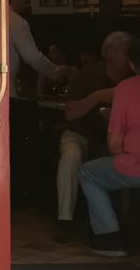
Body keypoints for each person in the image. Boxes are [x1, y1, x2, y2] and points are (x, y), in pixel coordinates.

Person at [76, 35, 140, 257]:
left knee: (87, 172)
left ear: (131, 64)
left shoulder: (126, 87)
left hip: (136, 168)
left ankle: (108, 237)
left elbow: (114, 145)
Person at [50, 31, 134, 241]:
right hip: (81, 133)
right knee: (71, 156)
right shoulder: (87, 75)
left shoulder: (134, 77)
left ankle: (121, 224)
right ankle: (65, 219)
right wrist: (98, 97)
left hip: (118, 138)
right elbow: (70, 114)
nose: (130, 57)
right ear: (111, 53)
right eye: (126, 52)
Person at [8, 0, 64, 83]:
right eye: (24, 1)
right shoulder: (16, 21)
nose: (25, 5)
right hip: (7, 82)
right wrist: (56, 72)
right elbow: (32, 57)